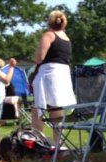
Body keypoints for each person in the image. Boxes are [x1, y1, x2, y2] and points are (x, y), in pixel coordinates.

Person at [31, 9, 76, 143]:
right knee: (56, 112)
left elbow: (39, 58)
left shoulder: (49, 35)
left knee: (37, 110)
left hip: (49, 75)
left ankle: (38, 143)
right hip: (62, 76)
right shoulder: (66, 38)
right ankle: (58, 145)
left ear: (49, 22)